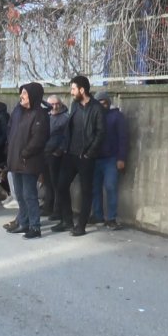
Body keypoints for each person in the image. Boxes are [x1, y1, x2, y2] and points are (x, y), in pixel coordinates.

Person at [50, 75, 106, 237]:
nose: (71, 92)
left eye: (73, 89)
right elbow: (69, 129)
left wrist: (90, 153)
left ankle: (81, 225)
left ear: (82, 90)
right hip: (70, 154)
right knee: (61, 186)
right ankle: (67, 220)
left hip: (86, 156)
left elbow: (101, 133)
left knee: (86, 191)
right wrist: (63, 148)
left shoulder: (96, 108)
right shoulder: (74, 105)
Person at [5, 83, 50, 239]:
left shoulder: (40, 114)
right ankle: (23, 222)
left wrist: (25, 153)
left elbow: (39, 139)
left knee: (29, 195)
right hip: (15, 160)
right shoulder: (17, 111)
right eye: (21, 93)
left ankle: (35, 226)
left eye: (24, 93)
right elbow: (10, 131)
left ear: (33, 95)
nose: (21, 96)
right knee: (19, 194)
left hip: (29, 161)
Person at [90, 92, 129, 231]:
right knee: (95, 188)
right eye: (99, 103)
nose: (102, 106)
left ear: (108, 102)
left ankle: (111, 218)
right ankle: (98, 215)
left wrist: (121, 158)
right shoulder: (93, 116)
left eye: (104, 103)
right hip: (95, 158)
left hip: (111, 159)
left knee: (110, 187)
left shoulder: (117, 116)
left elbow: (123, 138)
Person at [43, 95, 69, 219]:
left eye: (57, 103)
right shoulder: (46, 116)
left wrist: (59, 150)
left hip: (56, 155)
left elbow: (67, 136)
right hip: (45, 153)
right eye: (52, 104)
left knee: (56, 184)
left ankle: (58, 211)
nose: (54, 106)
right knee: (47, 183)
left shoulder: (65, 118)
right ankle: (48, 207)